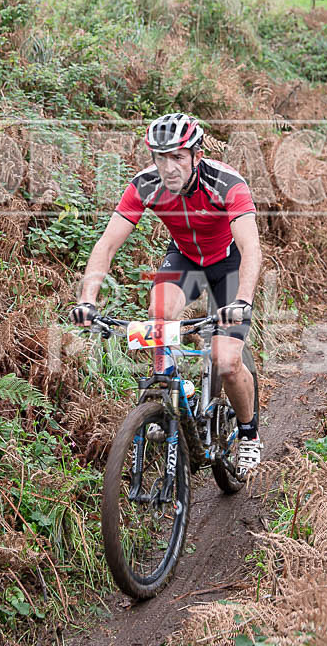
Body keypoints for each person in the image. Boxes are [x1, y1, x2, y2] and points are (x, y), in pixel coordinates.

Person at [70, 113, 263, 477]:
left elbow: (251, 248)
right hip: (185, 259)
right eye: (161, 157)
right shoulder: (145, 185)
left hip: (228, 264)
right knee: (159, 313)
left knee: (225, 360)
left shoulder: (227, 184)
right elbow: (107, 244)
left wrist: (243, 300)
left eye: (177, 157)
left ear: (196, 154)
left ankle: (249, 435)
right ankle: (172, 396)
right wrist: (87, 300)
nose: (168, 167)